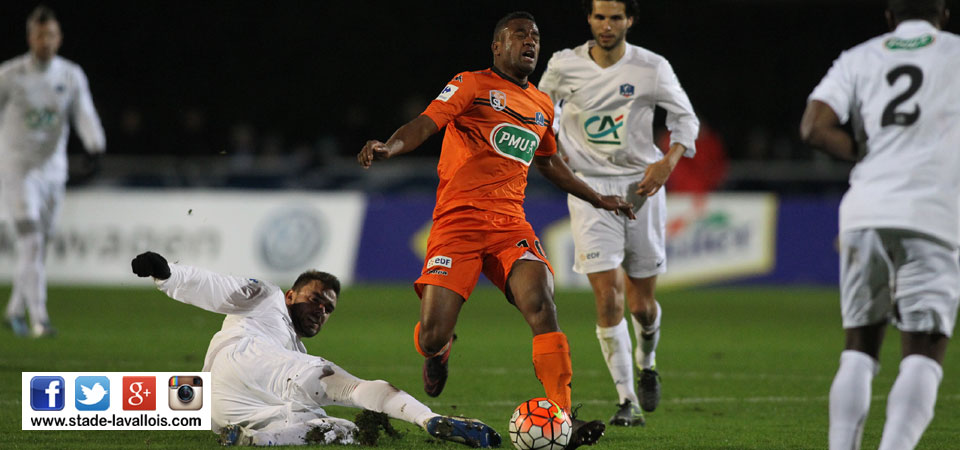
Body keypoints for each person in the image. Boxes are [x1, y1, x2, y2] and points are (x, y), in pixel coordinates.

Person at [358, 11, 635, 449]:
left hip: (510, 225)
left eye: (535, 36)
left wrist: (598, 198)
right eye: (519, 34)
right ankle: (439, 350)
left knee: (542, 304)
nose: (530, 41)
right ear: (497, 46)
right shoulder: (471, 84)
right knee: (431, 334)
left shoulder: (542, 105)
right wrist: (389, 147)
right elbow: (426, 122)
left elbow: (549, 162)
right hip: (458, 223)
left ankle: (562, 418)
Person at [130, 251, 501, 448]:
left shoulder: (295, 350)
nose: (321, 311)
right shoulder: (267, 298)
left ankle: (257, 441)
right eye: (315, 300)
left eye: (328, 309)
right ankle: (429, 419)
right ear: (291, 295)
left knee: (339, 429)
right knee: (346, 386)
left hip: (221, 408)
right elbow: (216, 286)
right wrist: (168, 273)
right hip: (242, 358)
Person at [799, 1, 960, 449]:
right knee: (923, 354)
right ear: (944, 14)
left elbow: (813, 127)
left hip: (865, 209)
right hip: (932, 214)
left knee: (859, 348)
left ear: (890, 17)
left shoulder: (859, 57)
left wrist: (869, 156)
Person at [538, 0, 699, 427]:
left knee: (642, 306)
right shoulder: (563, 65)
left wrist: (666, 163)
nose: (606, 25)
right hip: (589, 190)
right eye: (599, 17)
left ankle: (648, 362)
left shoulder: (652, 67)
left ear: (630, 20)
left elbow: (686, 120)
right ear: (589, 19)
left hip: (642, 188)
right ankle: (627, 400)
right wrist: (553, 144)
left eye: (614, 18)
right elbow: (540, 112)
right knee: (608, 296)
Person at [1, 6, 105, 338]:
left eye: (50, 35)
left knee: (38, 246)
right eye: (39, 35)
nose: (45, 41)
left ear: (59, 38)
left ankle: (14, 310)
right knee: (31, 240)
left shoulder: (71, 75)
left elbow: (84, 113)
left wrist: (95, 145)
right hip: (18, 171)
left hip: (53, 172)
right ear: (30, 38)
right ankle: (40, 318)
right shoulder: (9, 75)